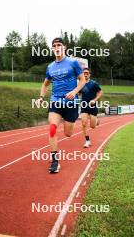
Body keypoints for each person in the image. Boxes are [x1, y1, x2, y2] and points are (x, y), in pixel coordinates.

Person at [39, 38, 85, 173]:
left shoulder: (73, 63)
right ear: (52, 49)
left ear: (64, 47)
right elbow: (45, 84)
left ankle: (70, 120)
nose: (57, 47)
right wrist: (41, 97)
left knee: (68, 133)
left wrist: (74, 91)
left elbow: (82, 80)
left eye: (59, 45)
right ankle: (55, 162)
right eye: (54, 46)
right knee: (52, 128)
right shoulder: (50, 67)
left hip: (71, 103)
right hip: (55, 101)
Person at [80, 68, 103, 148]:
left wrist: (94, 100)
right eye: (84, 73)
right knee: (83, 123)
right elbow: (79, 93)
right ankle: (87, 141)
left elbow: (100, 92)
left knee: (92, 126)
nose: (85, 74)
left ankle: (96, 120)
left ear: (89, 74)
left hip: (92, 106)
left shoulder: (94, 83)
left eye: (87, 73)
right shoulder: (80, 84)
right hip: (84, 106)